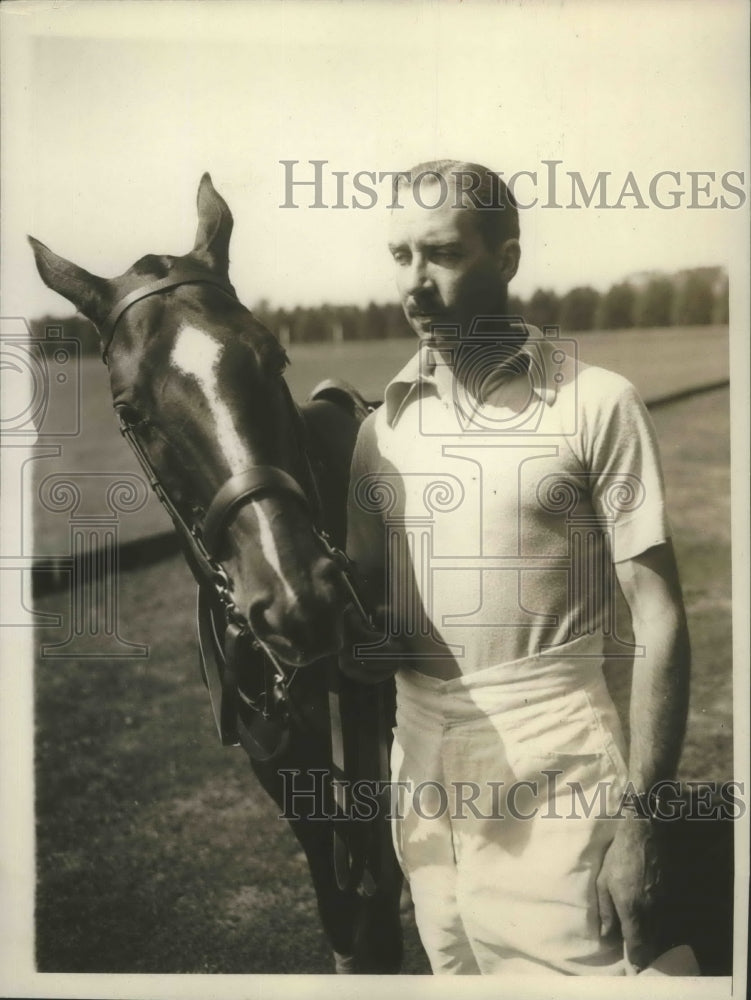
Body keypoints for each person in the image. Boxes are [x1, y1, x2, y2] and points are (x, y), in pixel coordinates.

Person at [342, 160, 691, 975]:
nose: (415, 285)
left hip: (557, 750)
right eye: (400, 257)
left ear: (505, 257)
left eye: (441, 253)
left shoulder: (596, 402)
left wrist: (642, 822)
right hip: (420, 761)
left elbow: (661, 616)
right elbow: (370, 634)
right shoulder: (378, 431)